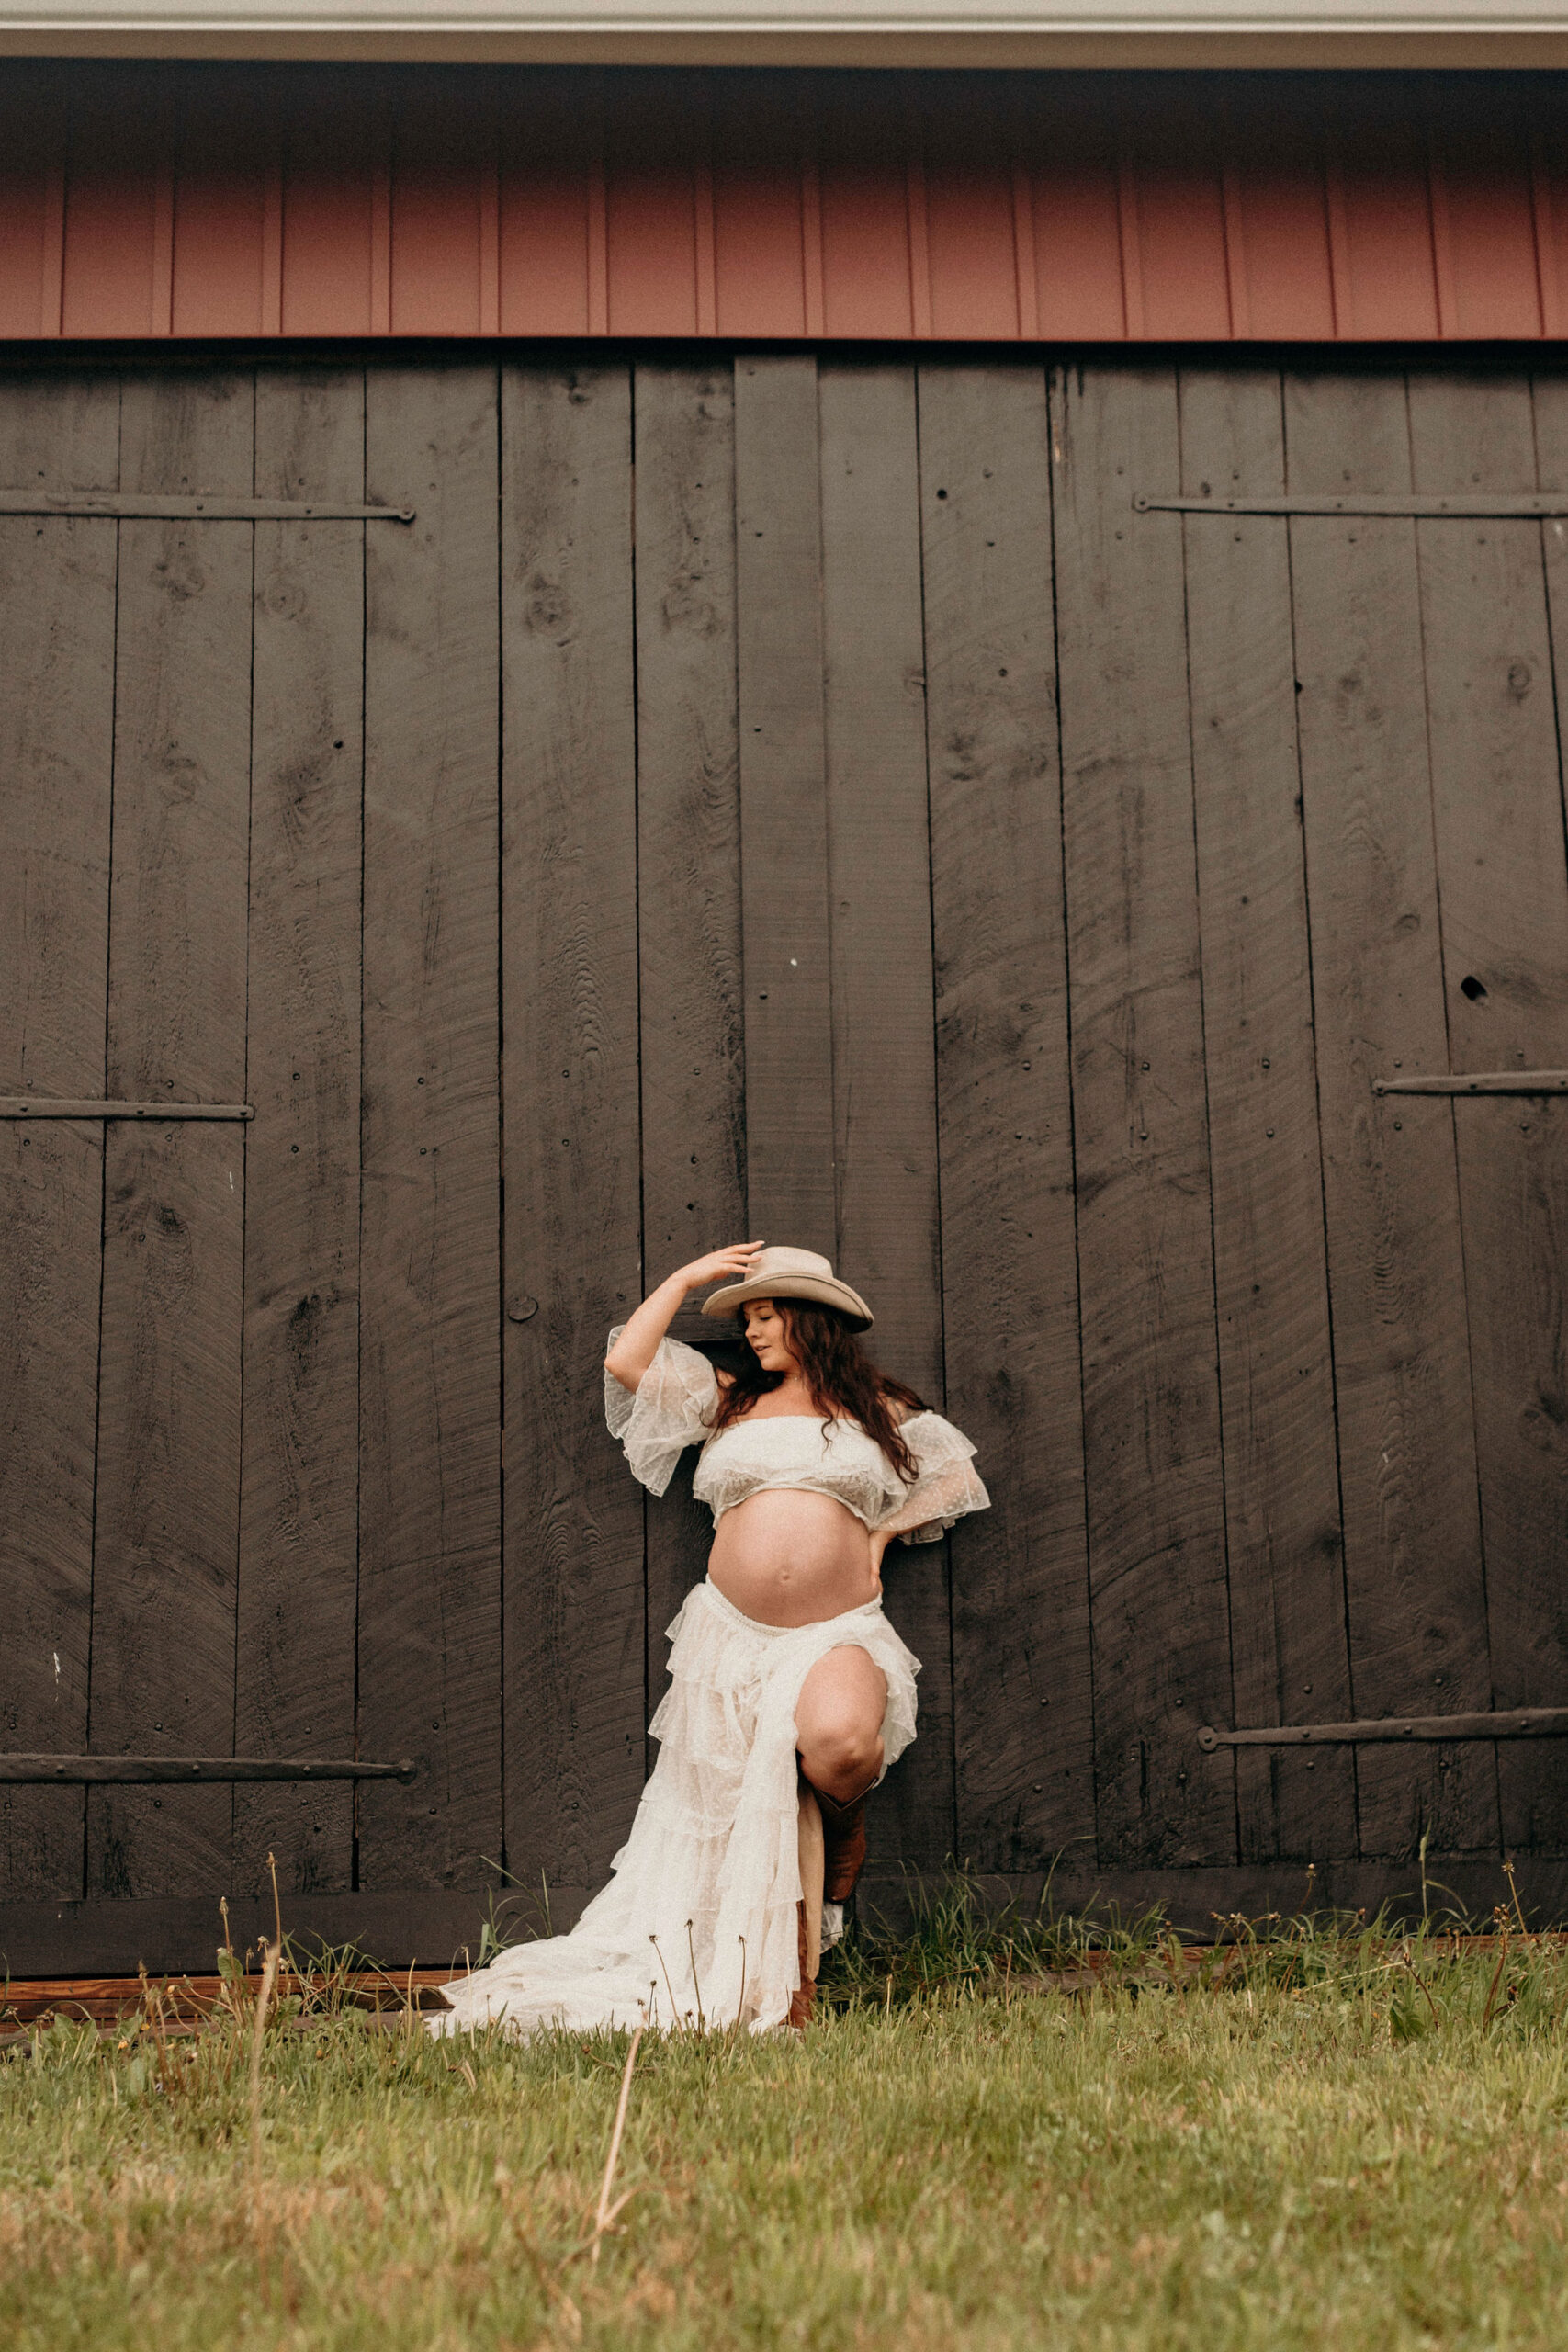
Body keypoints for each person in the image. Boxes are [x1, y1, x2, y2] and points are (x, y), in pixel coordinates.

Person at [432, 1242, 989, 2039]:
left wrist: (880, 1539)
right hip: (731, 1636)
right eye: (748, 1318)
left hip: (836, 1629)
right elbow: (627, 1361)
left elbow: (954, 1477)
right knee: (731, 1808)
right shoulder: (728, 1398)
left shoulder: (871, 1406)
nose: (753, 1332)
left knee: (840, 1745)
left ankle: (847, 1828)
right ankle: (778, 1975)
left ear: (811, 1318)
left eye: (766, 1316)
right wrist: (691, 1278)